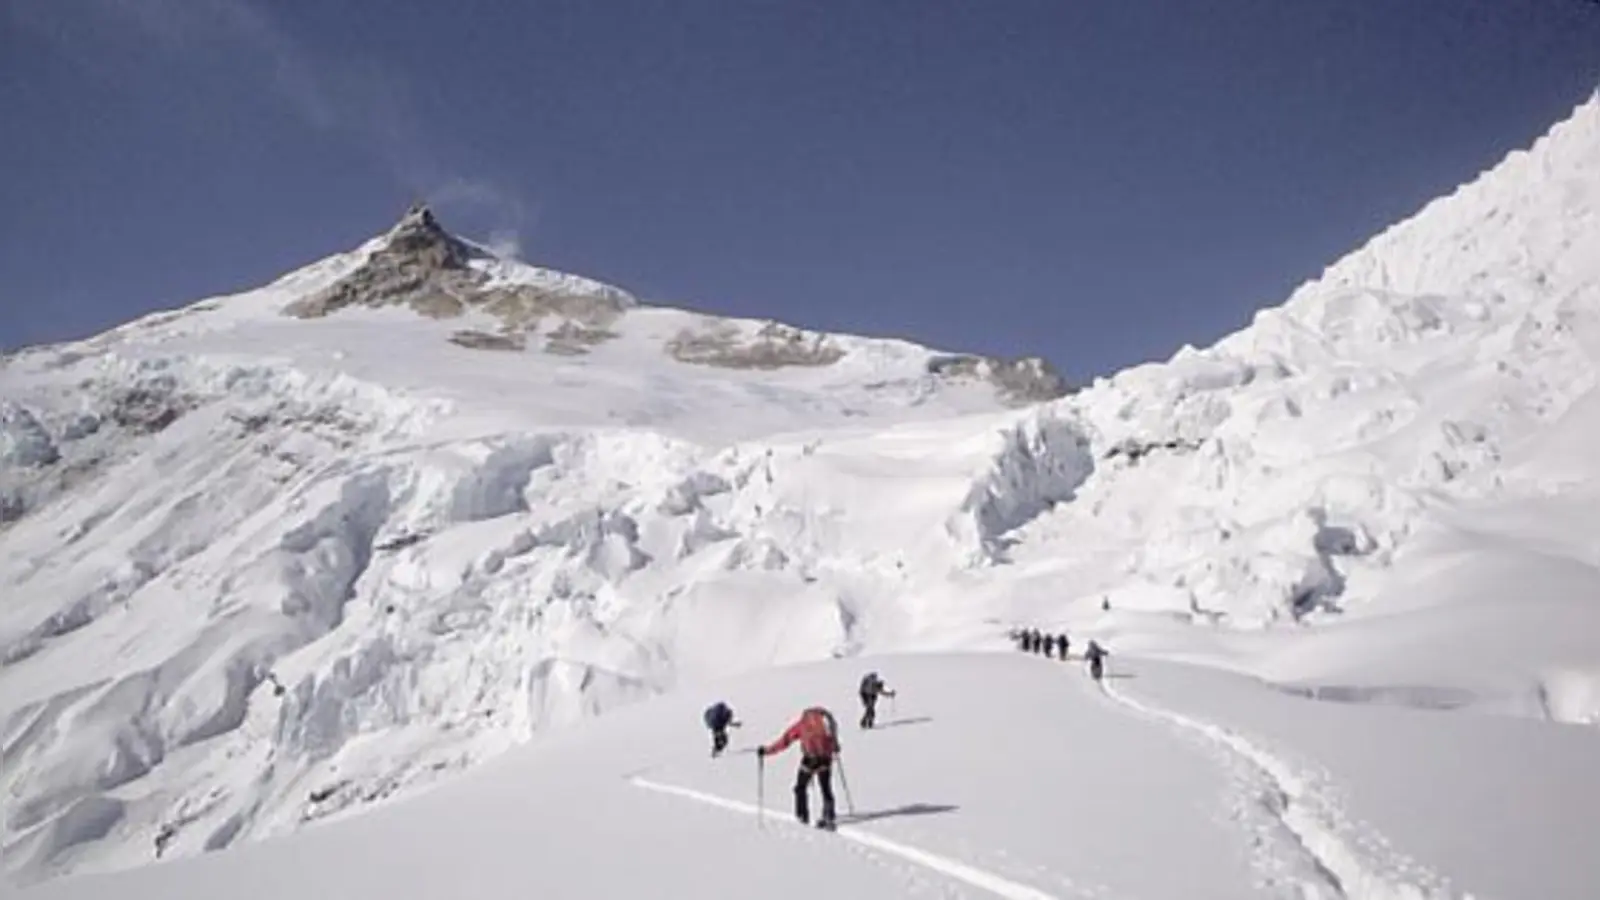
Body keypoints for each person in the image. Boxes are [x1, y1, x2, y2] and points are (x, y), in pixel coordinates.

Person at [758, 706, 841, 829]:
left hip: (810, 759)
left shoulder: (802, 724)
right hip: (825, 759)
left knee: (800, 787)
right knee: (826, 788)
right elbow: (834, 744)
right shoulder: (825, 723)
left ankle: (802, 817)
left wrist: (767, 751)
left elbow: (785, 741)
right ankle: (829, 816)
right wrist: (835, 748)